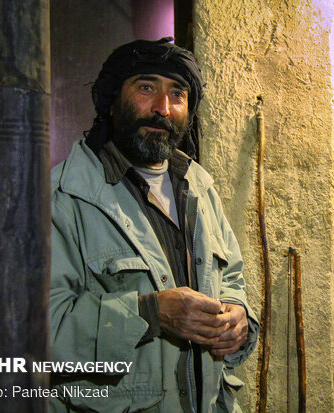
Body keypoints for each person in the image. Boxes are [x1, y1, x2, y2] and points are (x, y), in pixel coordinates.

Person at [49, 38, 259, 413]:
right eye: (146, 88)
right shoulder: (64, 197)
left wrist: (239, 315)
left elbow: (231, 276)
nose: (163, 108)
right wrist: (151, 314)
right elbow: (42, 333)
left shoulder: (198, 185)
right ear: (111, 102)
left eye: (177, 94)